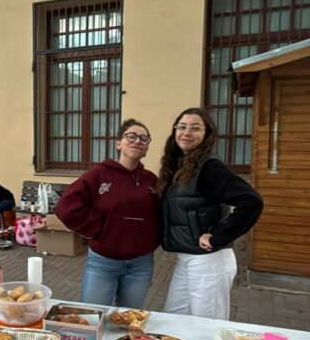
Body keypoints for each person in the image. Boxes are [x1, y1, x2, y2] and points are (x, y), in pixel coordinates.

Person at [157, 106, 263, 321]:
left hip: (209, 261)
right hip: (186, 257)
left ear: (207, 135)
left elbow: (251, 201)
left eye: (195, 128)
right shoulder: (182, 166)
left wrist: (218, 236)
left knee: (208, 326)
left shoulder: (209, 167)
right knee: (174, 319)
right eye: (182, 127)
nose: (187, 132)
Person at [55, 119, 160, 307]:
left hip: (141, 265)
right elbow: (66, 205)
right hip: (104, 262)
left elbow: (161, 214)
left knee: (129, 318)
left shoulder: (151, 181)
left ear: (146, 147)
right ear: (119, 143)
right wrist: (98, 228)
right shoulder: (99, 174)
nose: (138, 141)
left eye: (144, 138)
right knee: (92, 315)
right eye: (131, 136)